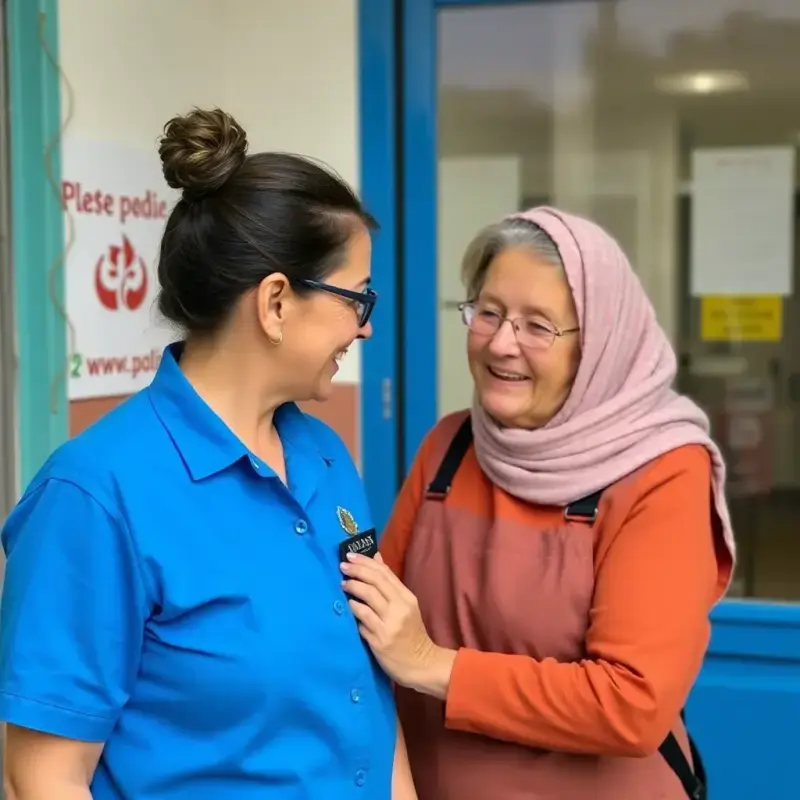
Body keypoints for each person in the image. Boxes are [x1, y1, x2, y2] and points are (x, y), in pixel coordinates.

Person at [0, 108, 415, 800]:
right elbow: (42, 777)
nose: (365, 328)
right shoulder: (95, 496)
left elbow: (363, 699)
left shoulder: (324, 456)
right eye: (357, 299)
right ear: (277, 303)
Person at [339, 206, 736, 799]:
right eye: (489, 313)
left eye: (538, 326)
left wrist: (433, 663)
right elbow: (372, 623)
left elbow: (631, 703)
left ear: (599, 346)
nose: (501, 344)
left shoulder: (664, 472)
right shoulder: (449, 446)